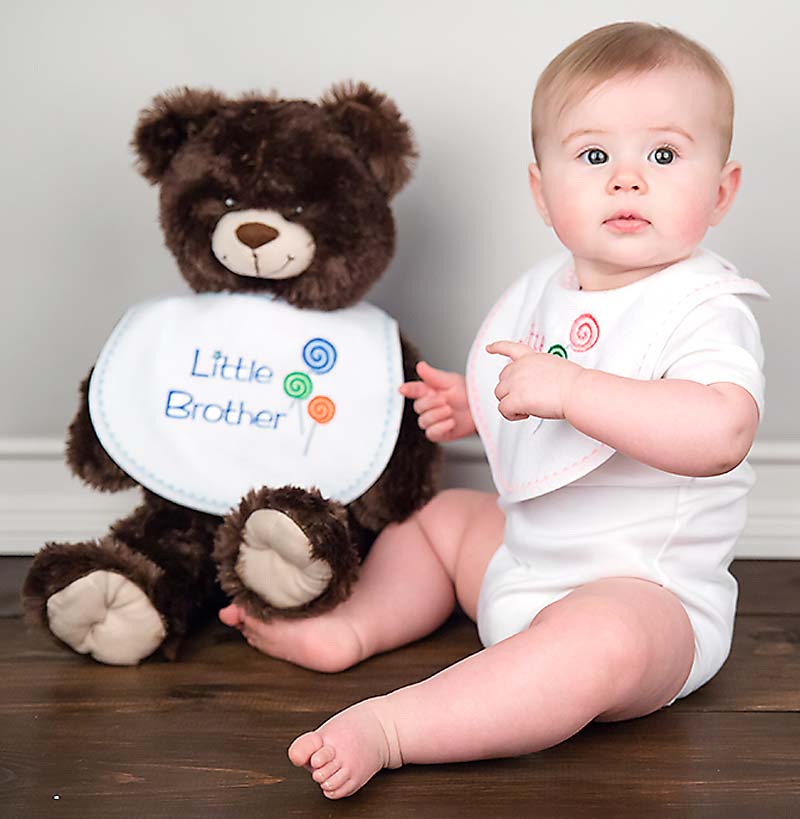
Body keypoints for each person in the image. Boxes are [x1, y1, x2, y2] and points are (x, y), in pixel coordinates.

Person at [219, 21, 769, 799]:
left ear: (719, 192)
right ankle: (357, 625)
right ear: (544, 193)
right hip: (525, 560)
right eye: (593, 155)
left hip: (647, 597)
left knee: (596, 642)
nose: (627, 179)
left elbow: (722, 431)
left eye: (665, 155)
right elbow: (535, 385)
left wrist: (570, 391)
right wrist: (477, 404)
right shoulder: (548, 290)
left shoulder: (703, 308)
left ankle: (396, 726)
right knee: (439, 520)